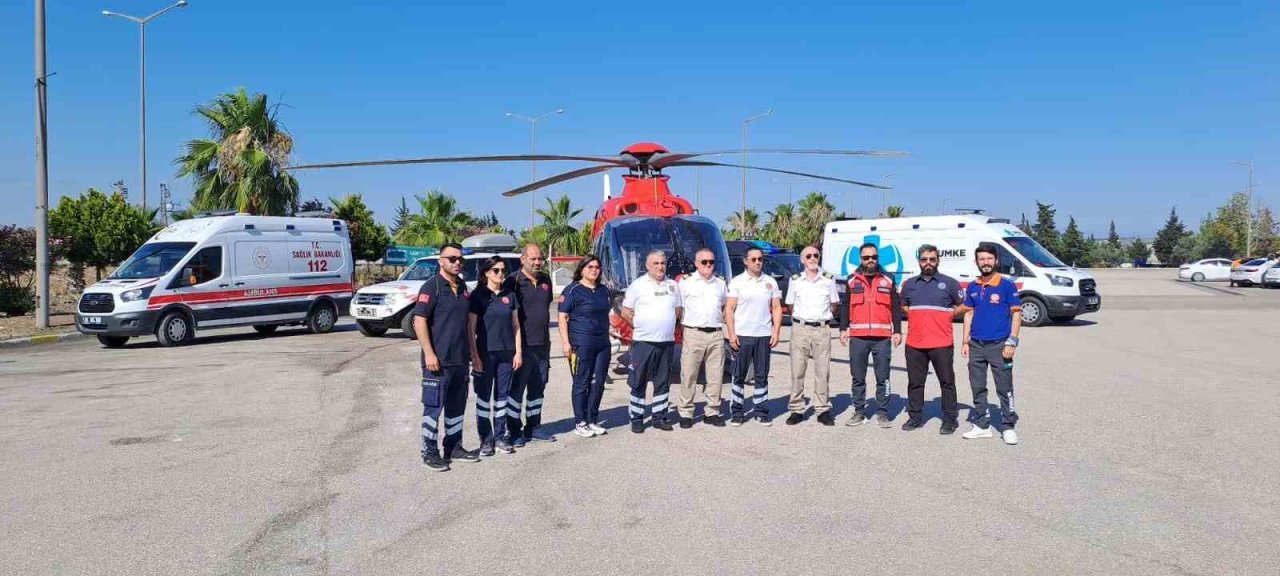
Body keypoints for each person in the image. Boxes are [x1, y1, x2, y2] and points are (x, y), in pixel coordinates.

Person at [415, 243, 480, 472]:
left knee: (456, 406)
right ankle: (429, 451)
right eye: (452, 258)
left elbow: (467, 323)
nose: (457, 263)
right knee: (433, 407)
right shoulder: (431, 287)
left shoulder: (462, 287)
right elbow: (419, 321)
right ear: (440, 261)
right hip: (438, 362)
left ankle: (453, 447)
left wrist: (473, 353)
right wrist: (430, 353)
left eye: (460, 259)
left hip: (460, 360)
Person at [961, 243, 1023, 445]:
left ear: (996, 260)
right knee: (977, 386)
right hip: (976, 345)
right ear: (976, 262)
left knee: (1004, 387)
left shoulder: (1007, 285)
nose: (985, 263)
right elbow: (968, 314)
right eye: (981, 259)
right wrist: (965, 341)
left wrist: (1012, 342)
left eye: (989, 259)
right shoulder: (973, 286)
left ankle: (1008, 425)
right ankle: (982, 425)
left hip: (1000, 345)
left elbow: (1016, 315)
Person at [899, 244, 964, 434]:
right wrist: (915, 315)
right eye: (924, 259)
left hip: (941, 343)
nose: (928, 263)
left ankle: (950, 420)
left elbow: (964, 305)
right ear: (919, 261)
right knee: (915, 382)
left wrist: (949, 314)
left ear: (938, 261)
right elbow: (903, 305)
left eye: (932, 259)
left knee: (947, 382)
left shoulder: (950, 283)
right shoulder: (909, 284)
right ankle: (915, 418)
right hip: (915, 343)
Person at [839, 242, 902, 428]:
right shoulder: (851, 280)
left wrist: (897, 330)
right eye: (866, 257)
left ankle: (883, 413)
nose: (870, 260)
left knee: (883, 377)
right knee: (858, 377)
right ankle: (859, 411)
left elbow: (896, 307)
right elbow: (845, 306)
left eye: (873, 257)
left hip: (882, 337)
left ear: (877, 258)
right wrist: (843, 329)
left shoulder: (888, 279)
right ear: (861, 259)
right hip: (858, 336)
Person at [621, 250, 683, 433]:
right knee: (638, 381)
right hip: (643, 342)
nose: (660, 266)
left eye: (662, 263)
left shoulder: (673, 285)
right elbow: (626, 312)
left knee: (663, 381)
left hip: (666, 342)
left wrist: (669, 326)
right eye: (655, 263)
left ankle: (660, 417)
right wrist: (640, 327)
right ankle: (637, 418)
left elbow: (678, 310)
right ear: (647, 266)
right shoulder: (637, 286)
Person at [468, 256, 523, 457]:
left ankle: (500, 436)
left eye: (502, 270)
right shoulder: (478, 295)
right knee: (483, 399)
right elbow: (471, 328)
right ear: (486, 273)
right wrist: (474, 355)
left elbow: (516, 326)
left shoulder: (510, 295)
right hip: (485, 354)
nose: (500, 274)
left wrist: (518, 352)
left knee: (502, 398)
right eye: (496, 271)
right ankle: (486, 440)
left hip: (507, 354)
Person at [503, 244, 556, 446]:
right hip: (520, 348)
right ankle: (514, 431)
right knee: (516, 391)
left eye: (540, 259)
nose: (537, 262)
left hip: (542, 345)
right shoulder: (512, 281)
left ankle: (534, 427)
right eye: (533, 259)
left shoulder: (545, 280)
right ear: (522, 259)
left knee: (537, 389)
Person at [725, 247, 782, 426]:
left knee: (761, 375)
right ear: (745, 261)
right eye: (754, 259)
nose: (758, 262)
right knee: (739, 375)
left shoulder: (770, 282)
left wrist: (776, 331)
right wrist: (731, 333)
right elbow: (729, 309)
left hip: (763, 335)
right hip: (742, 335)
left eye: (760, 259)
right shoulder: (737, 282)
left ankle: (761, 411)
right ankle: (737, 412)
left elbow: (776, 308)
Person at [784, 245, 840, 426]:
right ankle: (796, 409)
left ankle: (822, 409)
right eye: (808, 256)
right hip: (800, 329)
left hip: (822, 330)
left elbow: (834, 304)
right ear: (802, 260)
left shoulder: (828, 280)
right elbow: (791, 305)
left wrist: (820, 320)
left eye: (816, 255)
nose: (813, 258)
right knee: (797, 371)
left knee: (822, 371)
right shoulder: (795, 280)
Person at [557, 256, 613, 438]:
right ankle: (580, 422)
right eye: (590, 267)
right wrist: (566, 343)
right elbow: (562, 318)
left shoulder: (603, 290)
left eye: (597, 267)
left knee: (598, 384)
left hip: (602, 343)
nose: (594, 270)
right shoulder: (573, 290)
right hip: (581, 343)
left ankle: (592, 419)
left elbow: (607, 314)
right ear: (582, 269)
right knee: (582, 383)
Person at [676, 248, 728, 428]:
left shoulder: (720, 283)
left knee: (715, 375)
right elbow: (679, 307)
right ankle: (686, 412)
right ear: (696, 263)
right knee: (689, 374)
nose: (708, 265)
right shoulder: (686, 283)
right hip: (693, 333)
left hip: (715, 334)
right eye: (704, 262)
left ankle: (712, 411)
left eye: (711, 262)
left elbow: (723, 306)